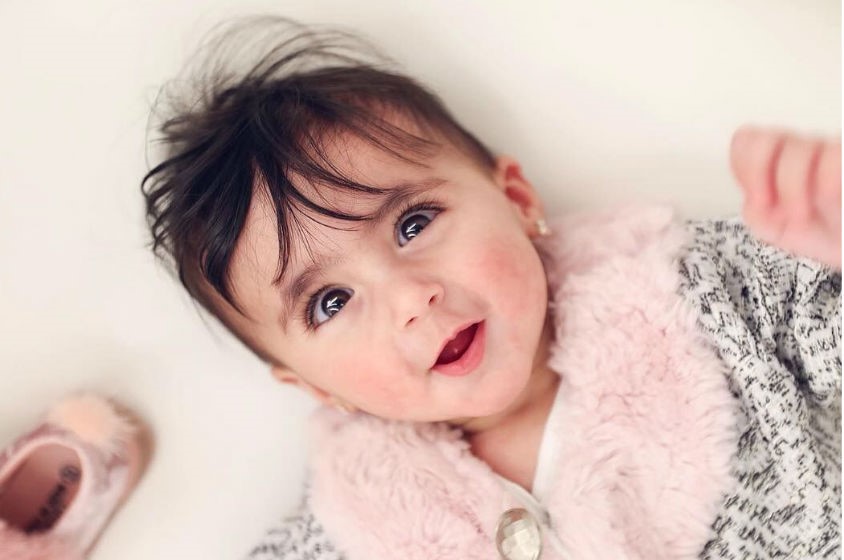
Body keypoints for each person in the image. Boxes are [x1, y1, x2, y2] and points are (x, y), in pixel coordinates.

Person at [141, 17, 841, 560]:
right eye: (332, 302)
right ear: (318, 388)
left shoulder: (697, 291)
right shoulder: (351, 521)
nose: (410, 299)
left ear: (517, 200)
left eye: (413, 224)